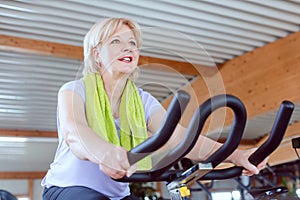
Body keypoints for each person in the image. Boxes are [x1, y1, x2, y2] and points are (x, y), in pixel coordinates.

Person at [41, 18, 267, 200]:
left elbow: (180, 139)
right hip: (66, 188)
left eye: (132, 43)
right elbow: (75, 134)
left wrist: (236, 155)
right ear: (96, 54)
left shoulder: (143, 101)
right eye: (116, 41)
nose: (127, 47)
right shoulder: (73, 91)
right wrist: (105, 153)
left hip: (119, 193)